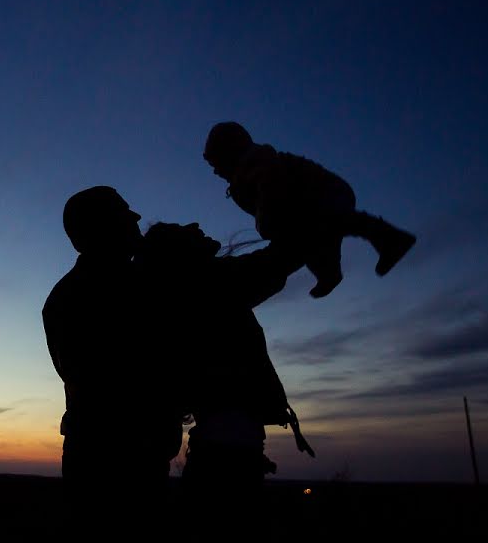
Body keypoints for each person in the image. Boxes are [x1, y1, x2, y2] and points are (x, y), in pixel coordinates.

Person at [135, 222, 314, 540]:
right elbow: (278, 261)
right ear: (179, 253)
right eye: (184, 230)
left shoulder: (187, 287)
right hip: (226, 453)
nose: (195, 225)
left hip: (221, 447)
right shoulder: (205, 283)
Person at [41, 186, 184, 538]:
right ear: (101, 229)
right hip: (115, 462)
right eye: (124, 213)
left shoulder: (125, 285)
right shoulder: (96, 294)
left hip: (122, 455)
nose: (136, 219)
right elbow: (105, 383)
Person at [203, 121, 416, 298]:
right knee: (311, 238)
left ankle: (388, 238)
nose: (214, 170)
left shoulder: (257, 162)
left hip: (327, 193)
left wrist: (266, 221)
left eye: (216, 162)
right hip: (303, 210)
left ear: (231, 152)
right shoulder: (241, 183)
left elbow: (270, 188)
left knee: (324, 224)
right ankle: (330, 273)